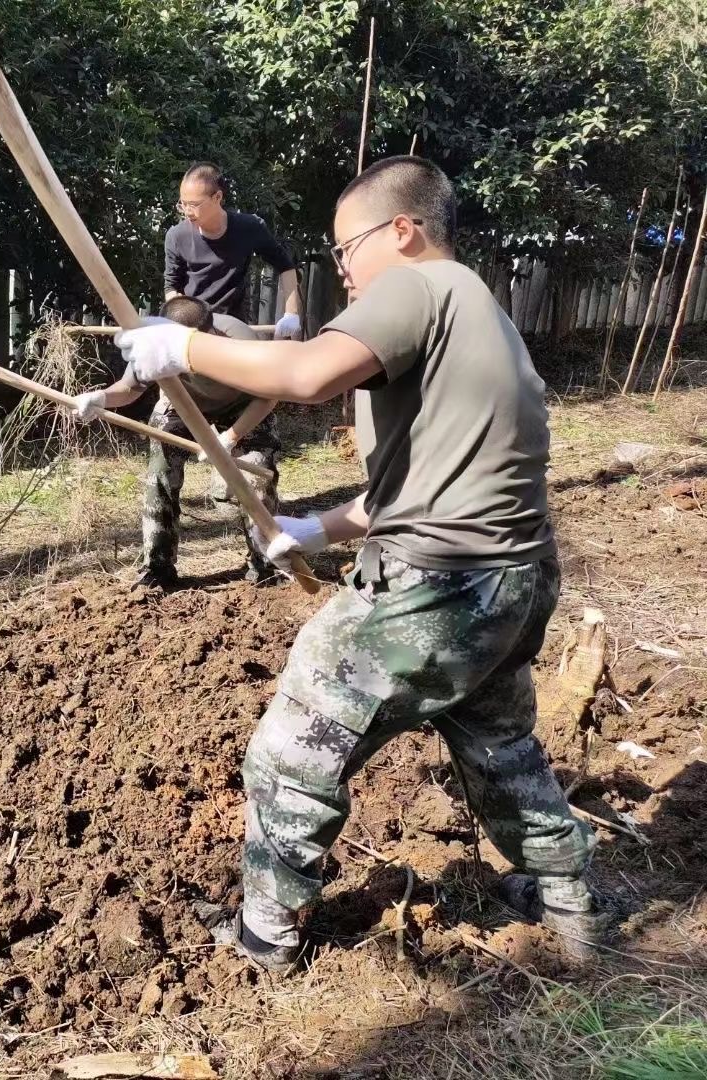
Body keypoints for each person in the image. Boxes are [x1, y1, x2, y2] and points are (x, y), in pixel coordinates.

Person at [114, 156, 606, 973]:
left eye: (347, 248)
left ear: (404, 231)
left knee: (294, 742)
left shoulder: (417, 288)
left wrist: (184, 343)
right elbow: (417, 483)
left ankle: (266, 933)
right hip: (511, 579)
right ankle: (567, 899)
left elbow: (304, 374)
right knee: (499, 743)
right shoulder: (479, 312)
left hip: (439, 584)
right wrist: (316, 529)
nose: (340, 268)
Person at [68, 295, 281, 588]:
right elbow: (130, 388)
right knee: (160, 473)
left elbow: (269, 395)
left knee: (257, 474)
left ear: (209, 335)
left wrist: (230, 438)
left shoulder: (241, 341)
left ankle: (266, 564)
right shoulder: (157, 341)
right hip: (181, 403)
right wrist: (101, 398)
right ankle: (157, 568)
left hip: (243, 405)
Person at [166, 162, 302, 338]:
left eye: (194, 204)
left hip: (233, 328)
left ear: (217, 197)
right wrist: (179, 313)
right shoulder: (177, 236)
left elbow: (286, 266)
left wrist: (292, 314)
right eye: (183, 204)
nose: (187, 211)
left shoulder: (249, 227)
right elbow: (171, 286)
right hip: (194, 330)